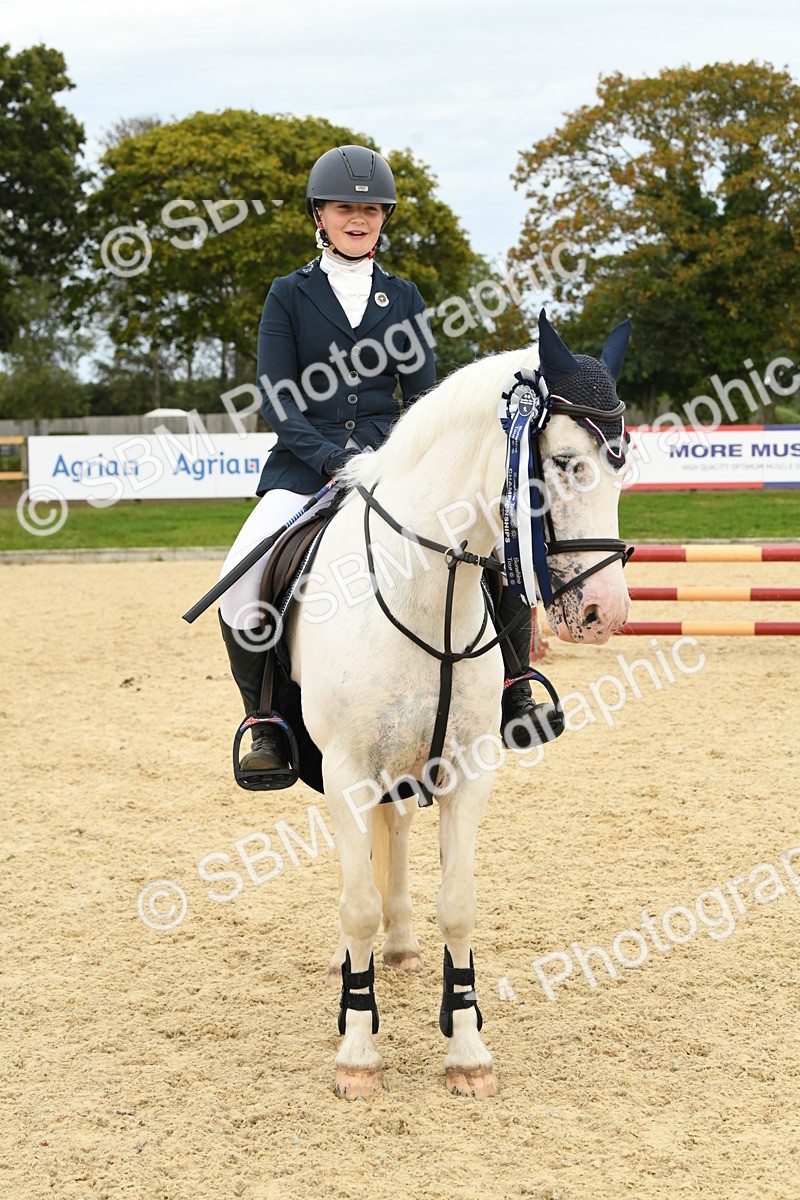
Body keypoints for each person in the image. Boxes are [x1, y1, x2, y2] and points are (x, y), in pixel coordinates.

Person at [217, 144, 436, 779]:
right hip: (302, 466)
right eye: (345, 209)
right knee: (238, 585)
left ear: (384, 218)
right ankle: (265, 723)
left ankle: (513, 686)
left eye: (371, 210)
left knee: (482, 545)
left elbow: (423, 397)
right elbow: (276, 395)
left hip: (392, 464)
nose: (358, 219)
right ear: (320, 215)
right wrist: (329, 457)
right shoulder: (288, 294)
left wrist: (394, 457)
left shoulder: (405, 297)